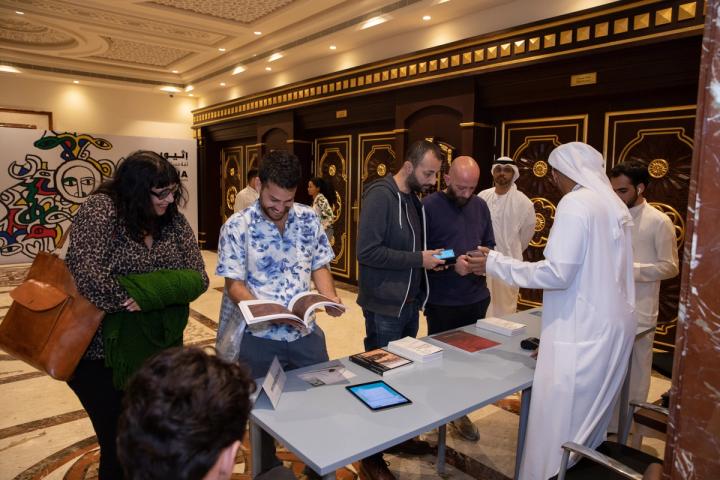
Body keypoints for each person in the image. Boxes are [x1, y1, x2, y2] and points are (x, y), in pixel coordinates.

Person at [473, 142, 636, 480]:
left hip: (581, 332)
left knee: (557, 422)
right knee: (587, 421)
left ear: (567, 172)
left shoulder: (576, 203)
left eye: (556, 174)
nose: (555, 181)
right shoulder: (612, 203)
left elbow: (557, 273)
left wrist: (495, 262)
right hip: (608, 329)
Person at [65, 150, 209, 479]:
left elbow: (198, 278)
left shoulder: (172, 220)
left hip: (160, 350)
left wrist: (146, 295)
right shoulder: (101, 210)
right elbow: (88, 276)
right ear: (135, 191)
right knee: (119, 445)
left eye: (173, 191)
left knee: (154, 440)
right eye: (161, 193)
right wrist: (138, 295)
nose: (170, 200)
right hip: (102, 355)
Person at [215, 150, 343, 476]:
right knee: (262, 412)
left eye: (288, 200)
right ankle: (268, 469)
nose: (280, 207)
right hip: (259, 338)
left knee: (322, 400)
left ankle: (316, 466)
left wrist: (329, 296)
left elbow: (319, 265)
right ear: (259, 184)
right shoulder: (237, 226)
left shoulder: (308, 218)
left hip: (306, 334)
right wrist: (266, 312)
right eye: (273, 199)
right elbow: (234, 285)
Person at [356, 139, 445, 480]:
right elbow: (367, 252)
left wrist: (428, 262)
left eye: (435, 174)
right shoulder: (380, 196)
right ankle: (371, 457)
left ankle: (398, 437)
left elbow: (412, 251)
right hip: (384, 308)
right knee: (381, 380)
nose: (432, 181)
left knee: (404, 376)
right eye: (428, 173)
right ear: (408, 166)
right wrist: (418, 259)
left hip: (408, 304)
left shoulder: (412, 199)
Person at [423, 155, 495, 442]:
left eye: (472, 188)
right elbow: (423, 254)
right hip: (443, 301)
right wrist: (455, 261)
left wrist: (483, 256)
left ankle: (460, 413)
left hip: (476, 298)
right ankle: (437, 415)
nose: (466, 194)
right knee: (440, 364)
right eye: (461, 187)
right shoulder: (428, 207)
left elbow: (489, 244)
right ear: (447, 179)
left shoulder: (480, 206)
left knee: (468, 365)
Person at [609, 161, 679, 413]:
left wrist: (631, 270)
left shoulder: (659, 221)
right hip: (611, 307)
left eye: (622, 191)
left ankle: (631, 420)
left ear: (639, 188)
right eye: (613, 191)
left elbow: (671, 267)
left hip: (642, 308)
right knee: (611, 368)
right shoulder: (611, 218)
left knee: (637, 369)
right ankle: (608, 423)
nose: (616, 197)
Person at [478, 157, 536, 316]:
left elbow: (526, 235)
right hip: (484, 260)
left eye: (507, 170)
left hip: (508, 261)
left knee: (505, 307)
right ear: (493, 172)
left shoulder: (524, 202)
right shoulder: (482, 196)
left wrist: (510, 249)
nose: (502, 173)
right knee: (484, 304)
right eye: (498, 169)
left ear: (514, 173)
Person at [307, 176, 337, 242]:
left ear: (317, 188)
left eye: (310, 187)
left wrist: (322, 228)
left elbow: (330, 216)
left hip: (326, 231)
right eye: (308, 187)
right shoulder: (315, 200)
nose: (308, 189)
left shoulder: (321, 199)